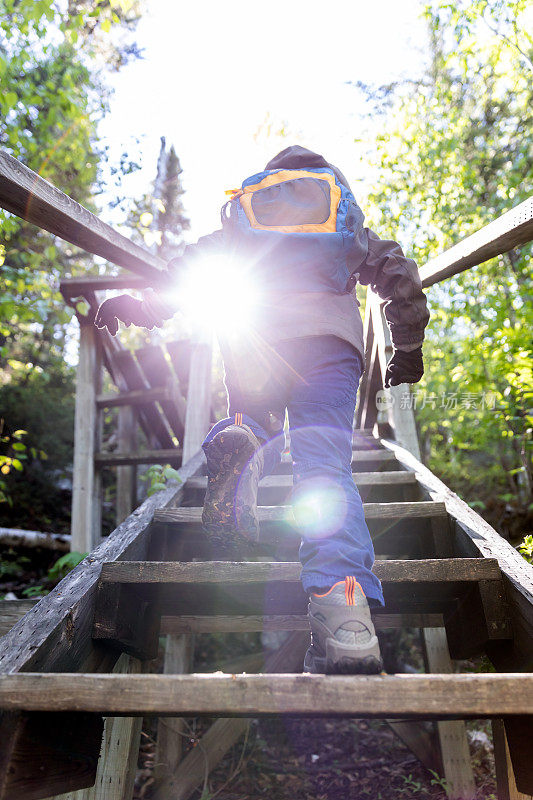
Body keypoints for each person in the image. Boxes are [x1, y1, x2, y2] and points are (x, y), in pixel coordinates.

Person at [95, 145, 429, 674]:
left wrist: (140, 305)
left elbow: (192, 268)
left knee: (256, 421)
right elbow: (397, 272)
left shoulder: (246, 213)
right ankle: (346, 621)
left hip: (256, 340)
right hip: (329, 348)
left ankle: (244, 439)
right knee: (324, 470)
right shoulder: (339, 216)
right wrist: (406, 349)